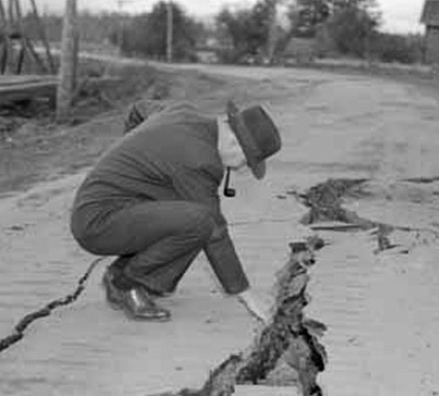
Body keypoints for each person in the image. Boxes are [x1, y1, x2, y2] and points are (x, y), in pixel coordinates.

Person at [69, 99, 282, 323]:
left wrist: (133, 159)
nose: (240, 168)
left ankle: (132, 270)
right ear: (233, 142)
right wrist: (246, 294)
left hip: (105, 206)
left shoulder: (183, 112)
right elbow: (215, 232)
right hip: (97, 223)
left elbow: (139, 109)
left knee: (184, 207)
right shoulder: (199, 161)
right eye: (246, 161)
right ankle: (125, 283)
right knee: (200, 221)